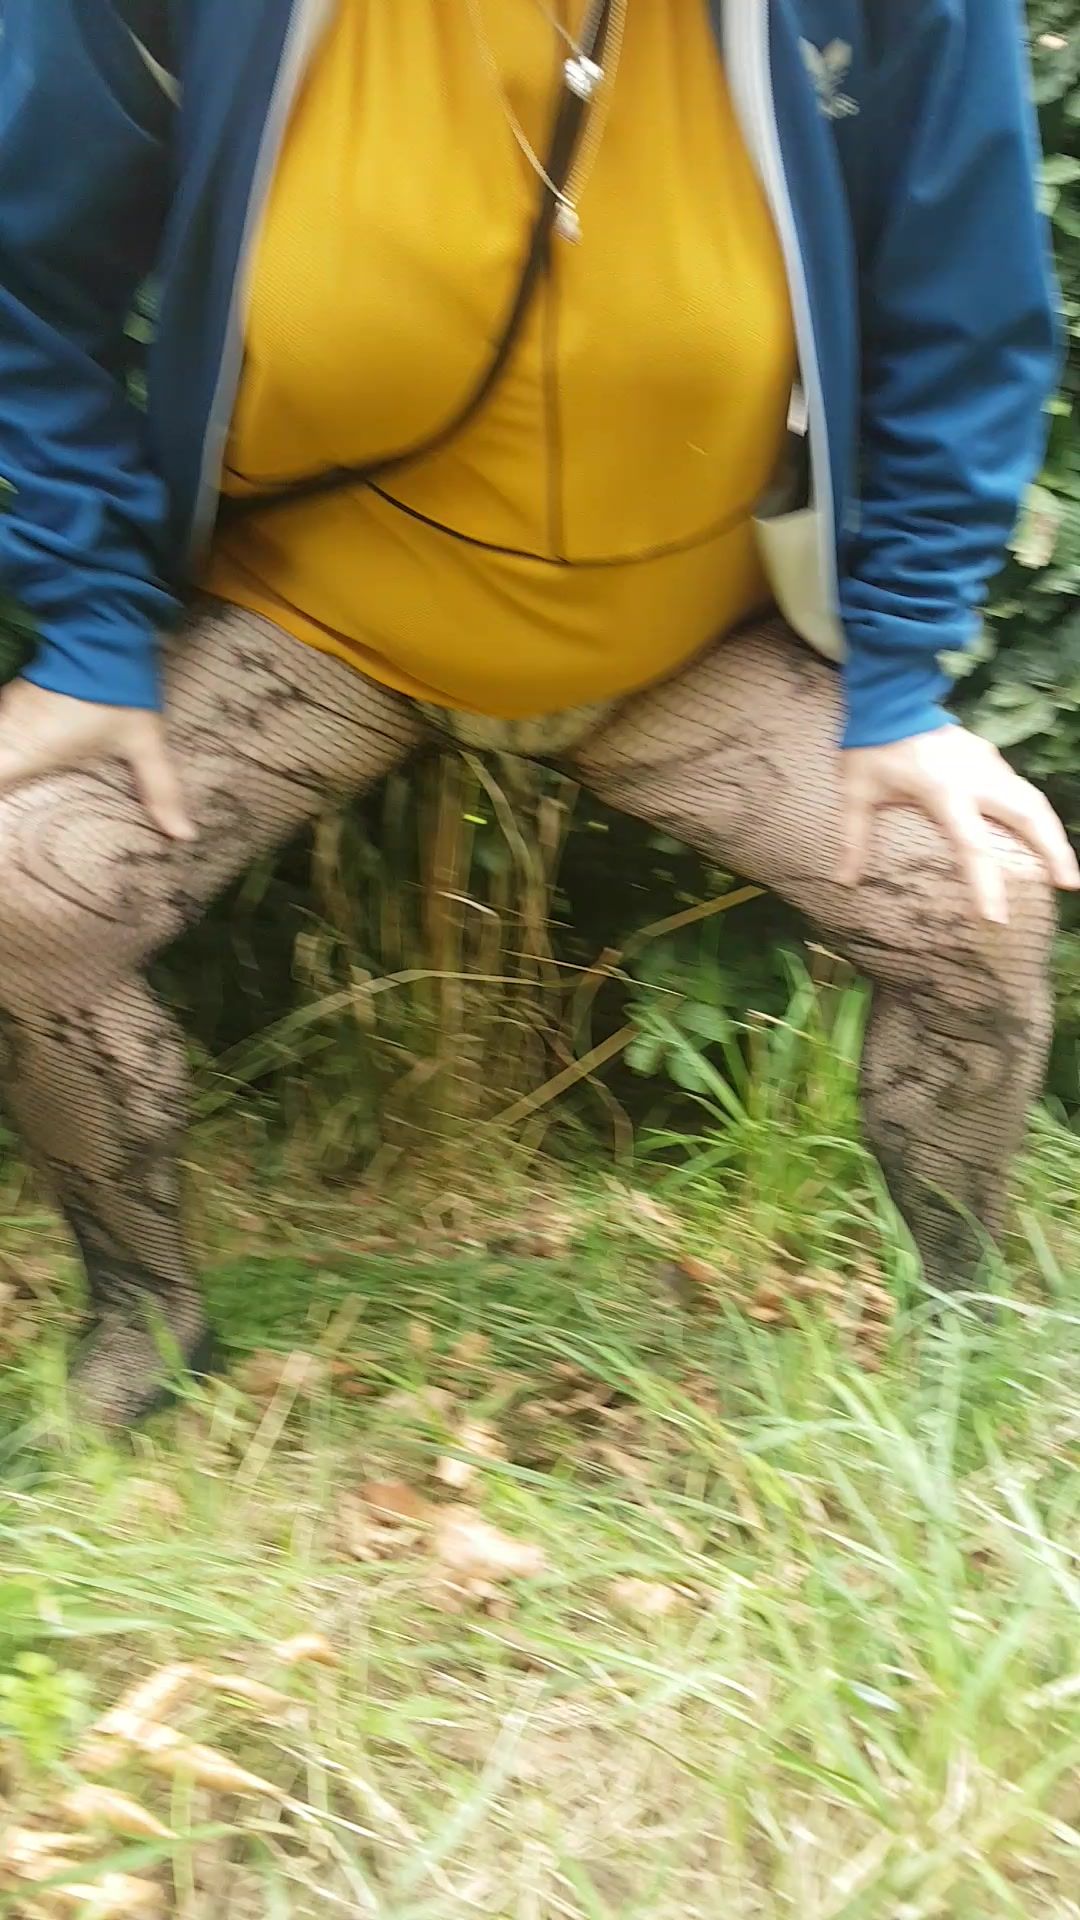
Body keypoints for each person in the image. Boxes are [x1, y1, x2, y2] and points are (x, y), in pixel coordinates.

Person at [0, 0, 1074, 1430]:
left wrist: (900, 681)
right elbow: (24, 277)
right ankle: (145, 1320)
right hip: (319, 620)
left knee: (977, 903)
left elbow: (971, 315)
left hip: (688, 636)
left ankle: (965, 1334)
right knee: (21, 897)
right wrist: (91, 634)